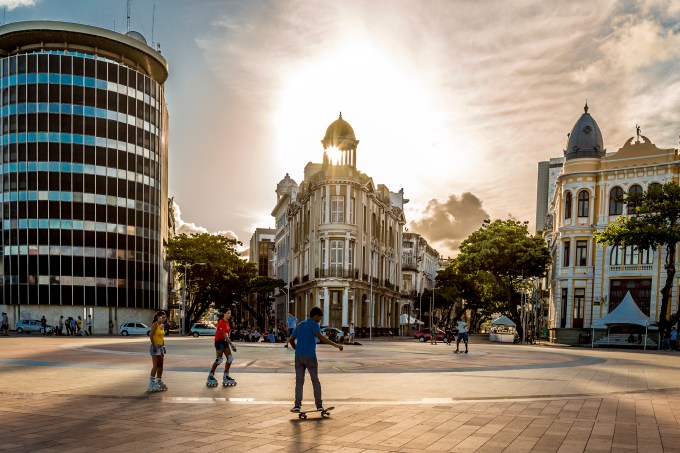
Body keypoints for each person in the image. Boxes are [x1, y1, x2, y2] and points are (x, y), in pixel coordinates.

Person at [288, 307, 343, 413]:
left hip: (298, 356)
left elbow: (291, 339)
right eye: (320, 318)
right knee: (315, 381)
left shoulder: (300, 325)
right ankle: (319, 405)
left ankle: (297, 405)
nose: (320, 320)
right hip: (310, 357)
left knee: (299, 381)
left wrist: (297, 349)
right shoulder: (314, 324)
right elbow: (321, 337)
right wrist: (336, 345)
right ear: (316, 316)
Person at [206, 309, 238, 387]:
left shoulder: (227, 322)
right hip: (219, 342)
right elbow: (224, 335)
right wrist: (232, 345)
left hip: (225, 342)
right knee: (219, 359)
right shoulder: (221, 322)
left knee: (230, 359)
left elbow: (227, 334)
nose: (229, 314)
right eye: (228, 313)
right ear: (224, 314)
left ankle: (225, 376)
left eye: (230, 313)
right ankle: (210, 375)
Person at [148, 310, 168, 392]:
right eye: (162, 317)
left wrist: (163, 347)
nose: (164, 319)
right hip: (155, 347)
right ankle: (151, 383)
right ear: (157, 317)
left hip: (160, 347)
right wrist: (153, 346)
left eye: (165, 318)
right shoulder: (155, 325)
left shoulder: (162, 326)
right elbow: (151, 336)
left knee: (161, 365)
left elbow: (162, 338)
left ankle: (158, 380)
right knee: (155, 365)